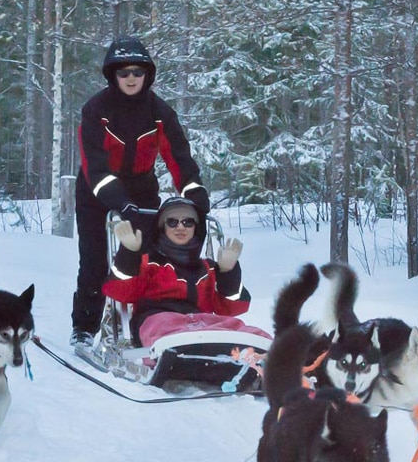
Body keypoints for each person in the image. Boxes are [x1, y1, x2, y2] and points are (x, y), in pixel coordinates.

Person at [70, 35, 211, 347]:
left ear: (148, 74)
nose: (131, 78)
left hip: (141, 189)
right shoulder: (96, 110)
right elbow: (94, 164)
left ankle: (142, 324)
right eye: (124, 72)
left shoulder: (160, 112)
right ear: (113, 75)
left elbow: (179, 158)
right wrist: (118, 201)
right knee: (93, 260)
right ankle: (84, 326)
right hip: (96, 189)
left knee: (146, 260)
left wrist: (195, 193)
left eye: (138, 71)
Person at [101, 196, 271, 348]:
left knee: (245, 330)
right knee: (167, 329)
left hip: (202, 324)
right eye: (172, 222)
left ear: (196, 228)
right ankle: (182, 351)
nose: (180, 227)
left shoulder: (208, 268)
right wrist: (129, 254)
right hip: (158, 320)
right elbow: (120, 292)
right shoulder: (148, 263)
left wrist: (228, 273)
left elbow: (232, 308)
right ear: (162, 227)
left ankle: (266, 354)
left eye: (188, 222)